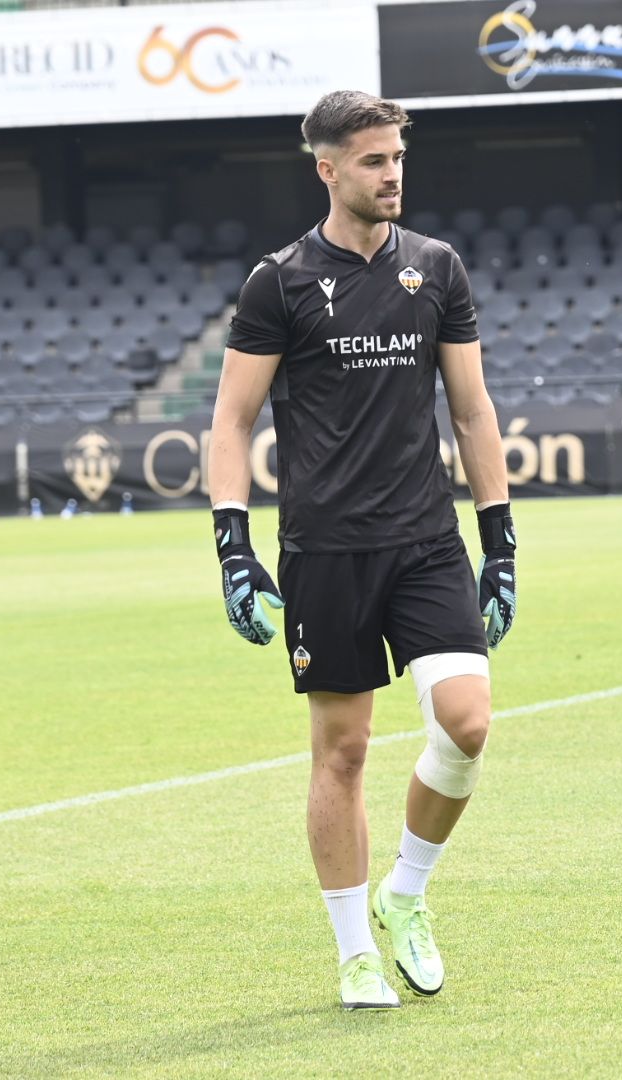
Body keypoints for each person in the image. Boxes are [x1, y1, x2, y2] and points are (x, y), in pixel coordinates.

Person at [207, 91, 516, 1011]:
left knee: (467, 723)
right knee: (342, 753)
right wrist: (233, 547)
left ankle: (405, 894)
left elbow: (471, 411)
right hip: (326, 551)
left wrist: (498, 545)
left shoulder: (437, 268)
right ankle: (353, 953)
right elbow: (231, 419)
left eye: (397, 159)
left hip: (426, 540)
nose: (393, 176)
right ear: (327, 168)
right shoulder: (280, 281)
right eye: (374, 161)